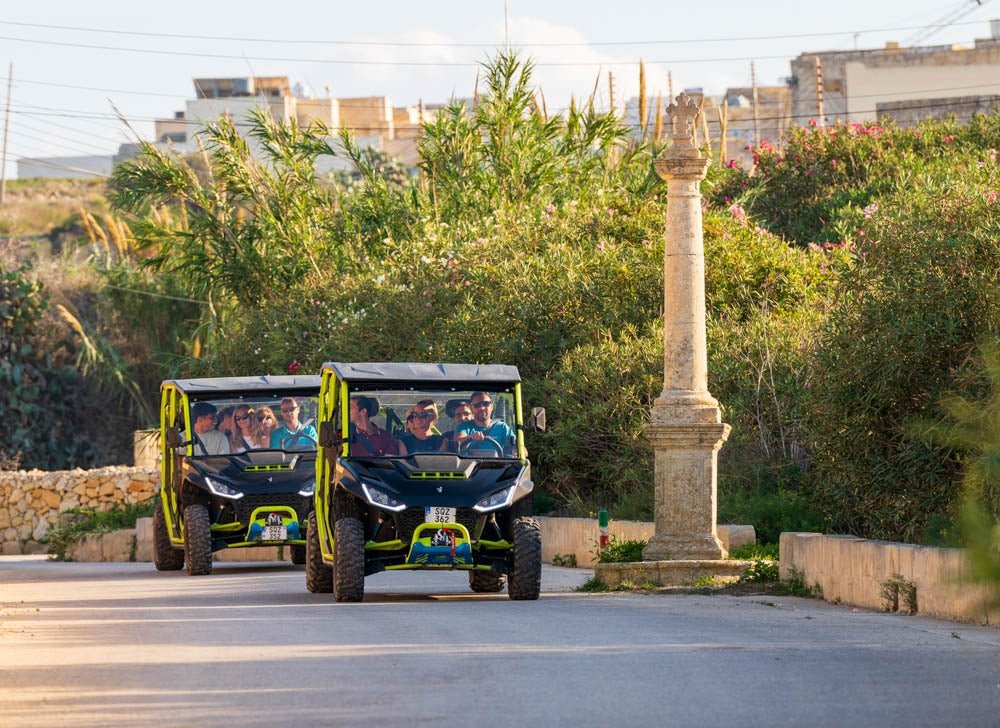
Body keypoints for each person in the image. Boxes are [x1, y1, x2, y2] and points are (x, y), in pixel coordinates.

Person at [454, 391, 515, 456]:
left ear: (492, 406)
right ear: (472, 408)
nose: (482, 408)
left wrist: (516, 452)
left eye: (486, 404)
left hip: (496, 465)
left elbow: (521, 449)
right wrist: (470, 437)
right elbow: (458, 443)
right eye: (477, 405)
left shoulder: (502, 427)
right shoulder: (464, 427)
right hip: (468, 465)